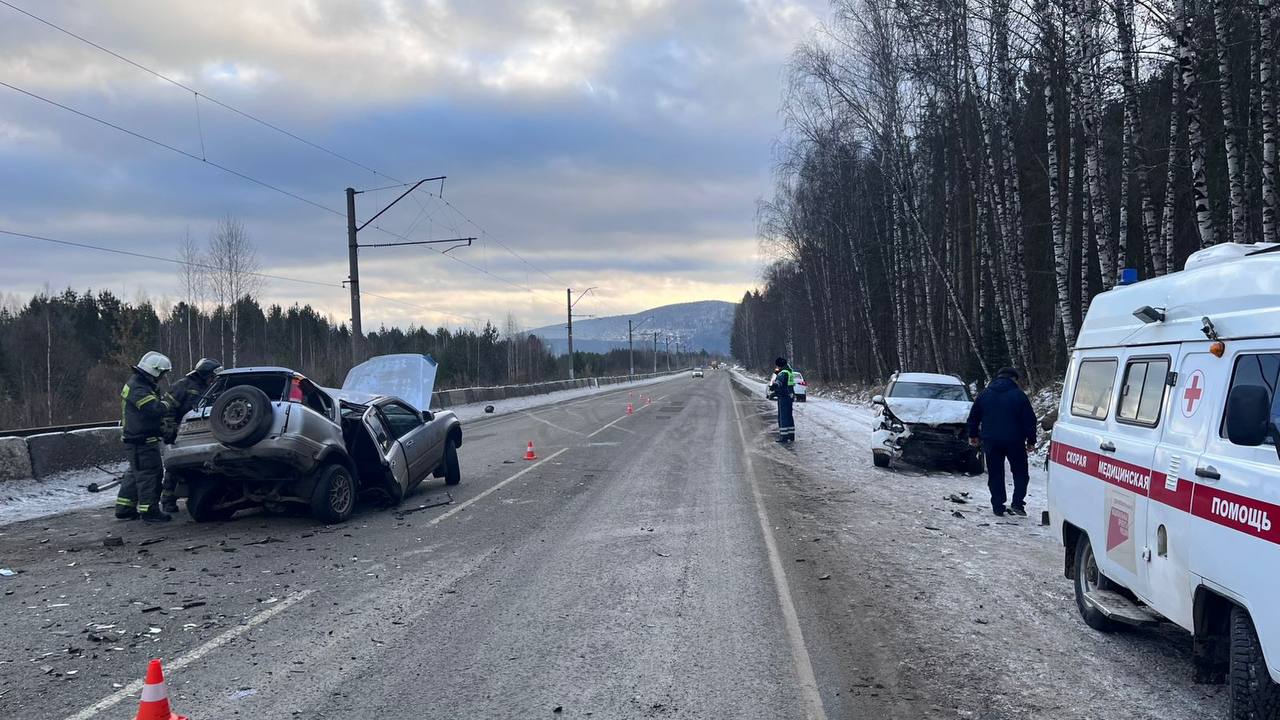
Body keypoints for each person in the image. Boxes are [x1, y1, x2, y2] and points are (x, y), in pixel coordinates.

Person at [967, 367, 1037, 517]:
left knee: (995, 474)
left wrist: (973, 435)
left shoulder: (984, 394)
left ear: (998, 377)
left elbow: (973, 417)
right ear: (1014, 379)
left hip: (991, 441)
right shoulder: (1019, 396)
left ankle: (998, 506)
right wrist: (1031, 440)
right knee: (1020, 473)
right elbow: (1030, 420)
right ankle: (1018, 503)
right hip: (1015, 441)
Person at [117, 351, 176, 522]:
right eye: (162, 374)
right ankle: (149, 512)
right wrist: (169, 403)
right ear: (155, 371)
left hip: (135, 440)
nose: (163, 377)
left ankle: (124, 508)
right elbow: (154, 409)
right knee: (150, 475)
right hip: (142, 441)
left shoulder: (138, 384)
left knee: (136, 474)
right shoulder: (139, 387)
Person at [159, 357, 221, 513]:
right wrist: (170, 429)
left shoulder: (211, 387)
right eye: (212, 377)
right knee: (175, 467)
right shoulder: (182, 386)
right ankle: (167, 500)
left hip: (202, 430)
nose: (214, 380)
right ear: (205, 375)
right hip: (179, 431)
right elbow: (166, 410)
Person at [768, 356, 797, 444]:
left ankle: (783, 437)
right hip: (789, 396)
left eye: (777, 366)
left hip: (783, 397)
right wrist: (776, 371)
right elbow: (786, 385)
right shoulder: (789, 371)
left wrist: (774, 387)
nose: (777, 367)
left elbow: (779, 383)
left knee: (783, 417)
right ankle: (791, 435)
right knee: (789, 416)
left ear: (780, 365)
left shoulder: (783, 373)